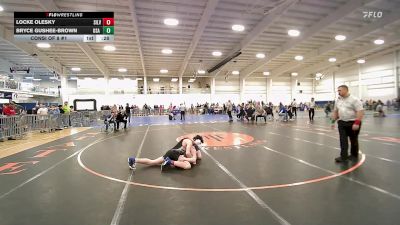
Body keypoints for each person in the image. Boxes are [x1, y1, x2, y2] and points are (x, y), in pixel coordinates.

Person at [128, 135, 204, 171]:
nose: (199, 145)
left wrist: (190, 158)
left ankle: (133, 159)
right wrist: (190, 159)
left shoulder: (189, 142)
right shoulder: (190, 142)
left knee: (153, 162)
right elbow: (187, 153)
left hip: (171, 153)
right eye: (199, 142)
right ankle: (169, 161)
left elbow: (196, 156)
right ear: (196, 140)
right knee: (188, 165)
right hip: (175, 154)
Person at [331, 85, 364, 163]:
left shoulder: (355, 100)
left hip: (353, 122)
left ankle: (354, 155)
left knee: (353, 140)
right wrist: (332, 122)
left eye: (340, 90)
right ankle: (343, 156)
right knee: (343, 140)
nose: (338, 92)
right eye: (338, 90)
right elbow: (336, 111)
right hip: (342, 123)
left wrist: (357, 123)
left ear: (346, 90)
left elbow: (360, 111)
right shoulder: (338, 100)